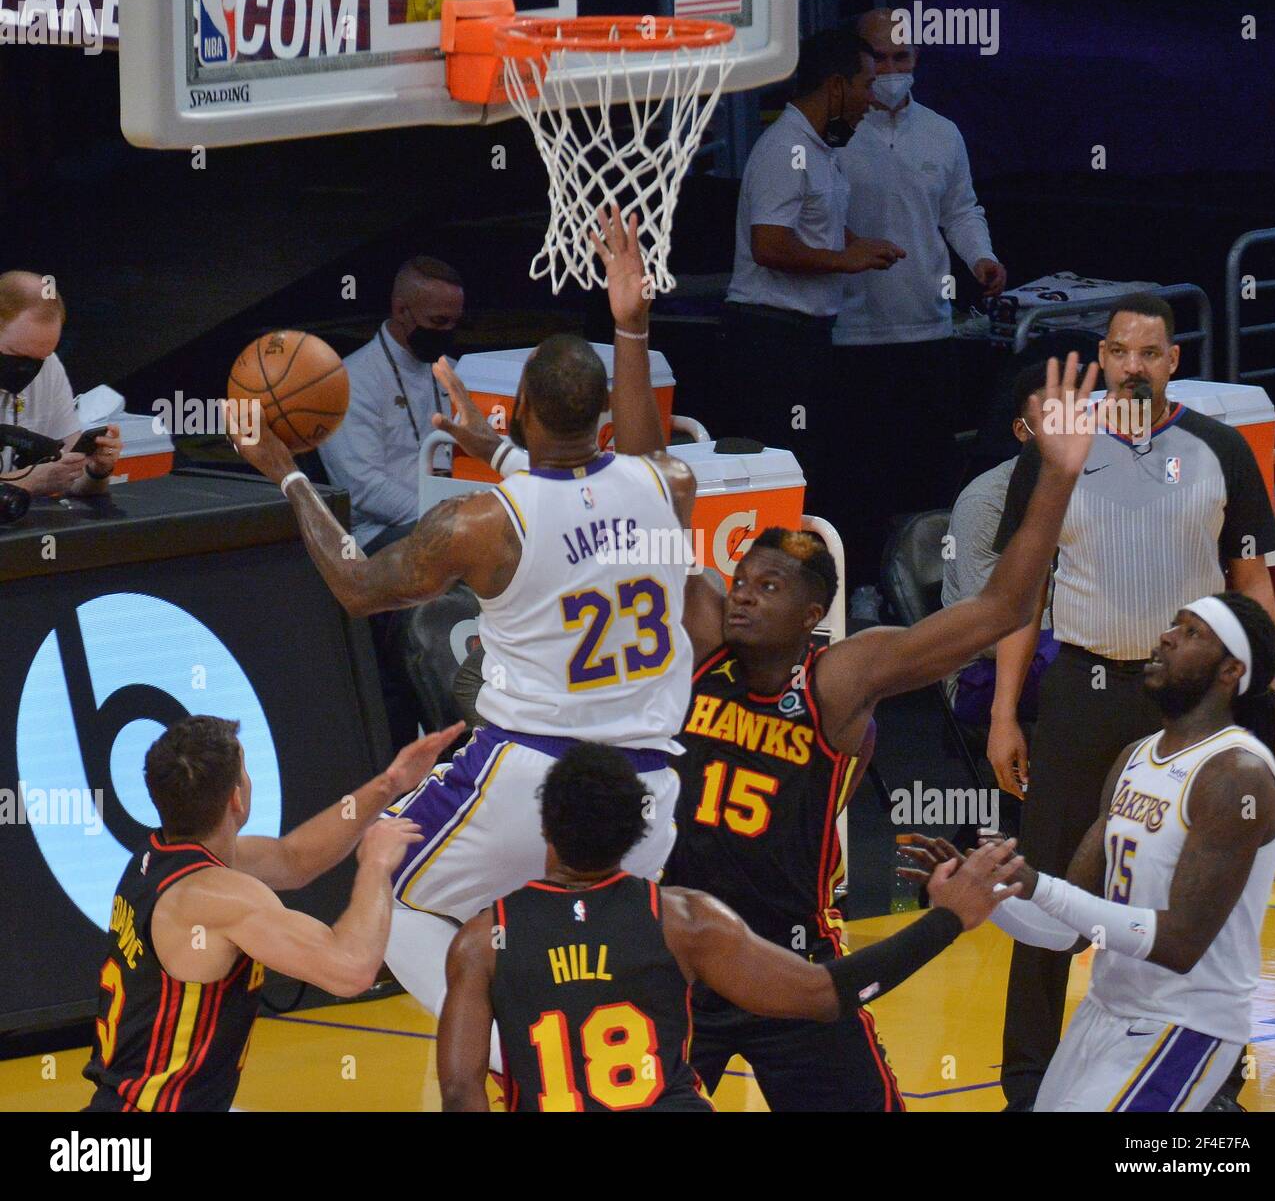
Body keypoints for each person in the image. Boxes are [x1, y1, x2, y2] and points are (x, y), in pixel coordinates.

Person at [226, 208, 694, 1029]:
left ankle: (514, 1059)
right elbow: (629, 459)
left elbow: (356, 585)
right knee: (599, 939)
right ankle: (601, 1066)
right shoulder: (669, 488)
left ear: (515, 409)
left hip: (531, 775)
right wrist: (632, 326)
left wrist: (288, 476)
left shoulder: (479, 523)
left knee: (388, 883)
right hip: (646, 789)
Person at [651, 354, 1099, 1110]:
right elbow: (646, 487)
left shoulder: (838, 678)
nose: (744, 597)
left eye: (770, 586)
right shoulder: (702, 641)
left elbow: (999, 609)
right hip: (685, 958)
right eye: (742, 580)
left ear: (810, 615)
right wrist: (632, 329)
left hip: (788, 965)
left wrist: (1056, 475)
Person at [988, 292, 1275, 1110]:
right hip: (1084, 687)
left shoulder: (1219, 447)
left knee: (1197, 890)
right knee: (1048, 879)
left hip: (1189, 703)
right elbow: (1021, 592)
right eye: (1119, 351)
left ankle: (1216, 1072)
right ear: (1103, 356)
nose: (1133, 366)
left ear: (1173, 362)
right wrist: (1005, 710)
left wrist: (1263, 704)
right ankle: (1026, 1079)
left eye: (1150, 353)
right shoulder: (1059, 449)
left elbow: (1251, 584)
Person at [436, 742, 1027, 1112]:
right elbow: (824, 994)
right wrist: (948, 918)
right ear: (637, 838)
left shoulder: (483, 941)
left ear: (545, 827)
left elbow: (463, 1093)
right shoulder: (684, 920)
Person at [904, 592, 1275, 1111]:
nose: (1167, 636)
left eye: (1192, 633)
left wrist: (1037, 884)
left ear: (1230, 671)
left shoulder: (1235, 776)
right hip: (1106, 1013)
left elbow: (1179, 943)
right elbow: (1067, 933)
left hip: (1186, 1024)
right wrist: (984, 893)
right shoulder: (1135, 759)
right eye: (1174, 624)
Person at [82, 715, 462, 1112]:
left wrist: (391, 783)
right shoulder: (219, 899)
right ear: (236, 798)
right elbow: (351, 969)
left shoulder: (158, 857)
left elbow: (294, 858)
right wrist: (376, 867)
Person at [830, 8, 1004, 585]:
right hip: (851, 334)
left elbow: (960, 208)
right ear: (856, 58)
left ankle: (926, 589)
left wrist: (980, 256)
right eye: (876, 57)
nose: (888, 69)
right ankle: (859, 592)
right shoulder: (831, 134)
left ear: (917, 60)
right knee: (857, 479)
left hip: (928, 331)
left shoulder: (941, 132)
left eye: (899, 57)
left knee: (927, 474)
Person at [719, 27, 904, 465]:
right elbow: (768, 245)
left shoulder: (822, 148)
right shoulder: (785, 148)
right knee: (781, 467)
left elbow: (816, 225)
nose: (873, 100)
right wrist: (844, 260)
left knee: (811, 462)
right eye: (867, 85)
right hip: (771, 340)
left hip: (804, 339)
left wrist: (862, 245)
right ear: (837, 86)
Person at [318, 256, 465, 554]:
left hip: (452, 516)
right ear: (401, 310)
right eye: (438, 321)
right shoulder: (348, 382)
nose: (448, 331)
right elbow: (364, 490)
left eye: (455, 322)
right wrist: (447, 519)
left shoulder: (455, 371)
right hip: (378, 534)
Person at [941, 361, 1058, 728]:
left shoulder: (1097, 488)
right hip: (981, 672)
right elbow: (991, 628)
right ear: (1022, 432)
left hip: (1059, 646)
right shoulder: (986, 502)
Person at [0, 270, 121, 495]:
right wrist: (29, 482)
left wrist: (97, 471)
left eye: (40, 359)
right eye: (17, 356)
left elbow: (73, 480)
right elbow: (38, 481)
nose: (28, 370)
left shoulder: (50, 366)